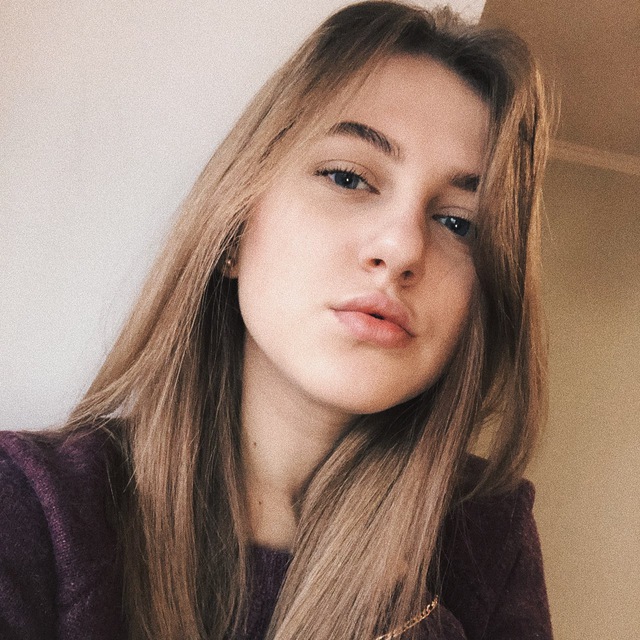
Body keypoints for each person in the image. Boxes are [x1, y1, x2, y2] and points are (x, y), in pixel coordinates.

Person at [0, 1, 554, 638]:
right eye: (348, 177)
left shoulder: (490, 536)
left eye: (459, 223)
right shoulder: (32, 507)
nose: (402, 248)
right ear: (234, 229)